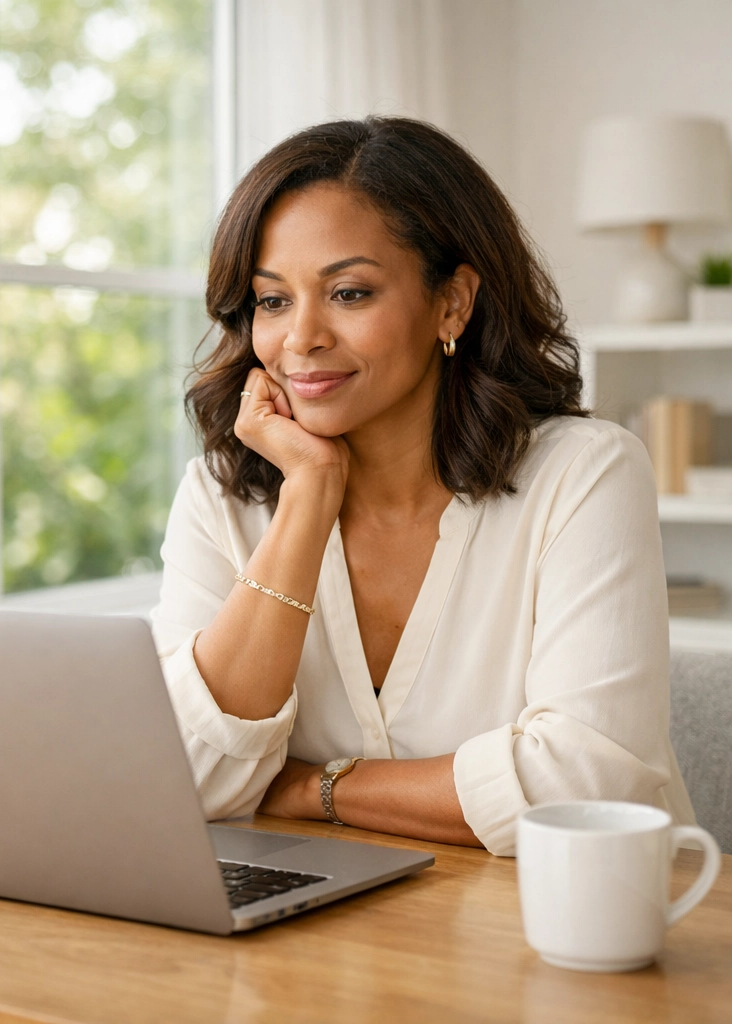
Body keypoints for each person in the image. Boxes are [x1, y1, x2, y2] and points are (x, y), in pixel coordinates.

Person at [150, 117, 694, 856]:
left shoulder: (585, 473)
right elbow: (184, 777)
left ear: (452, 303)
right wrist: (309, 495)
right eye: (272, 301)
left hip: (580, 929)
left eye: (348, 293)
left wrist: (312, 789)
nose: (300, 337)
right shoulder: (222, 495)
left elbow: (582, 783)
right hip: (325, 942)